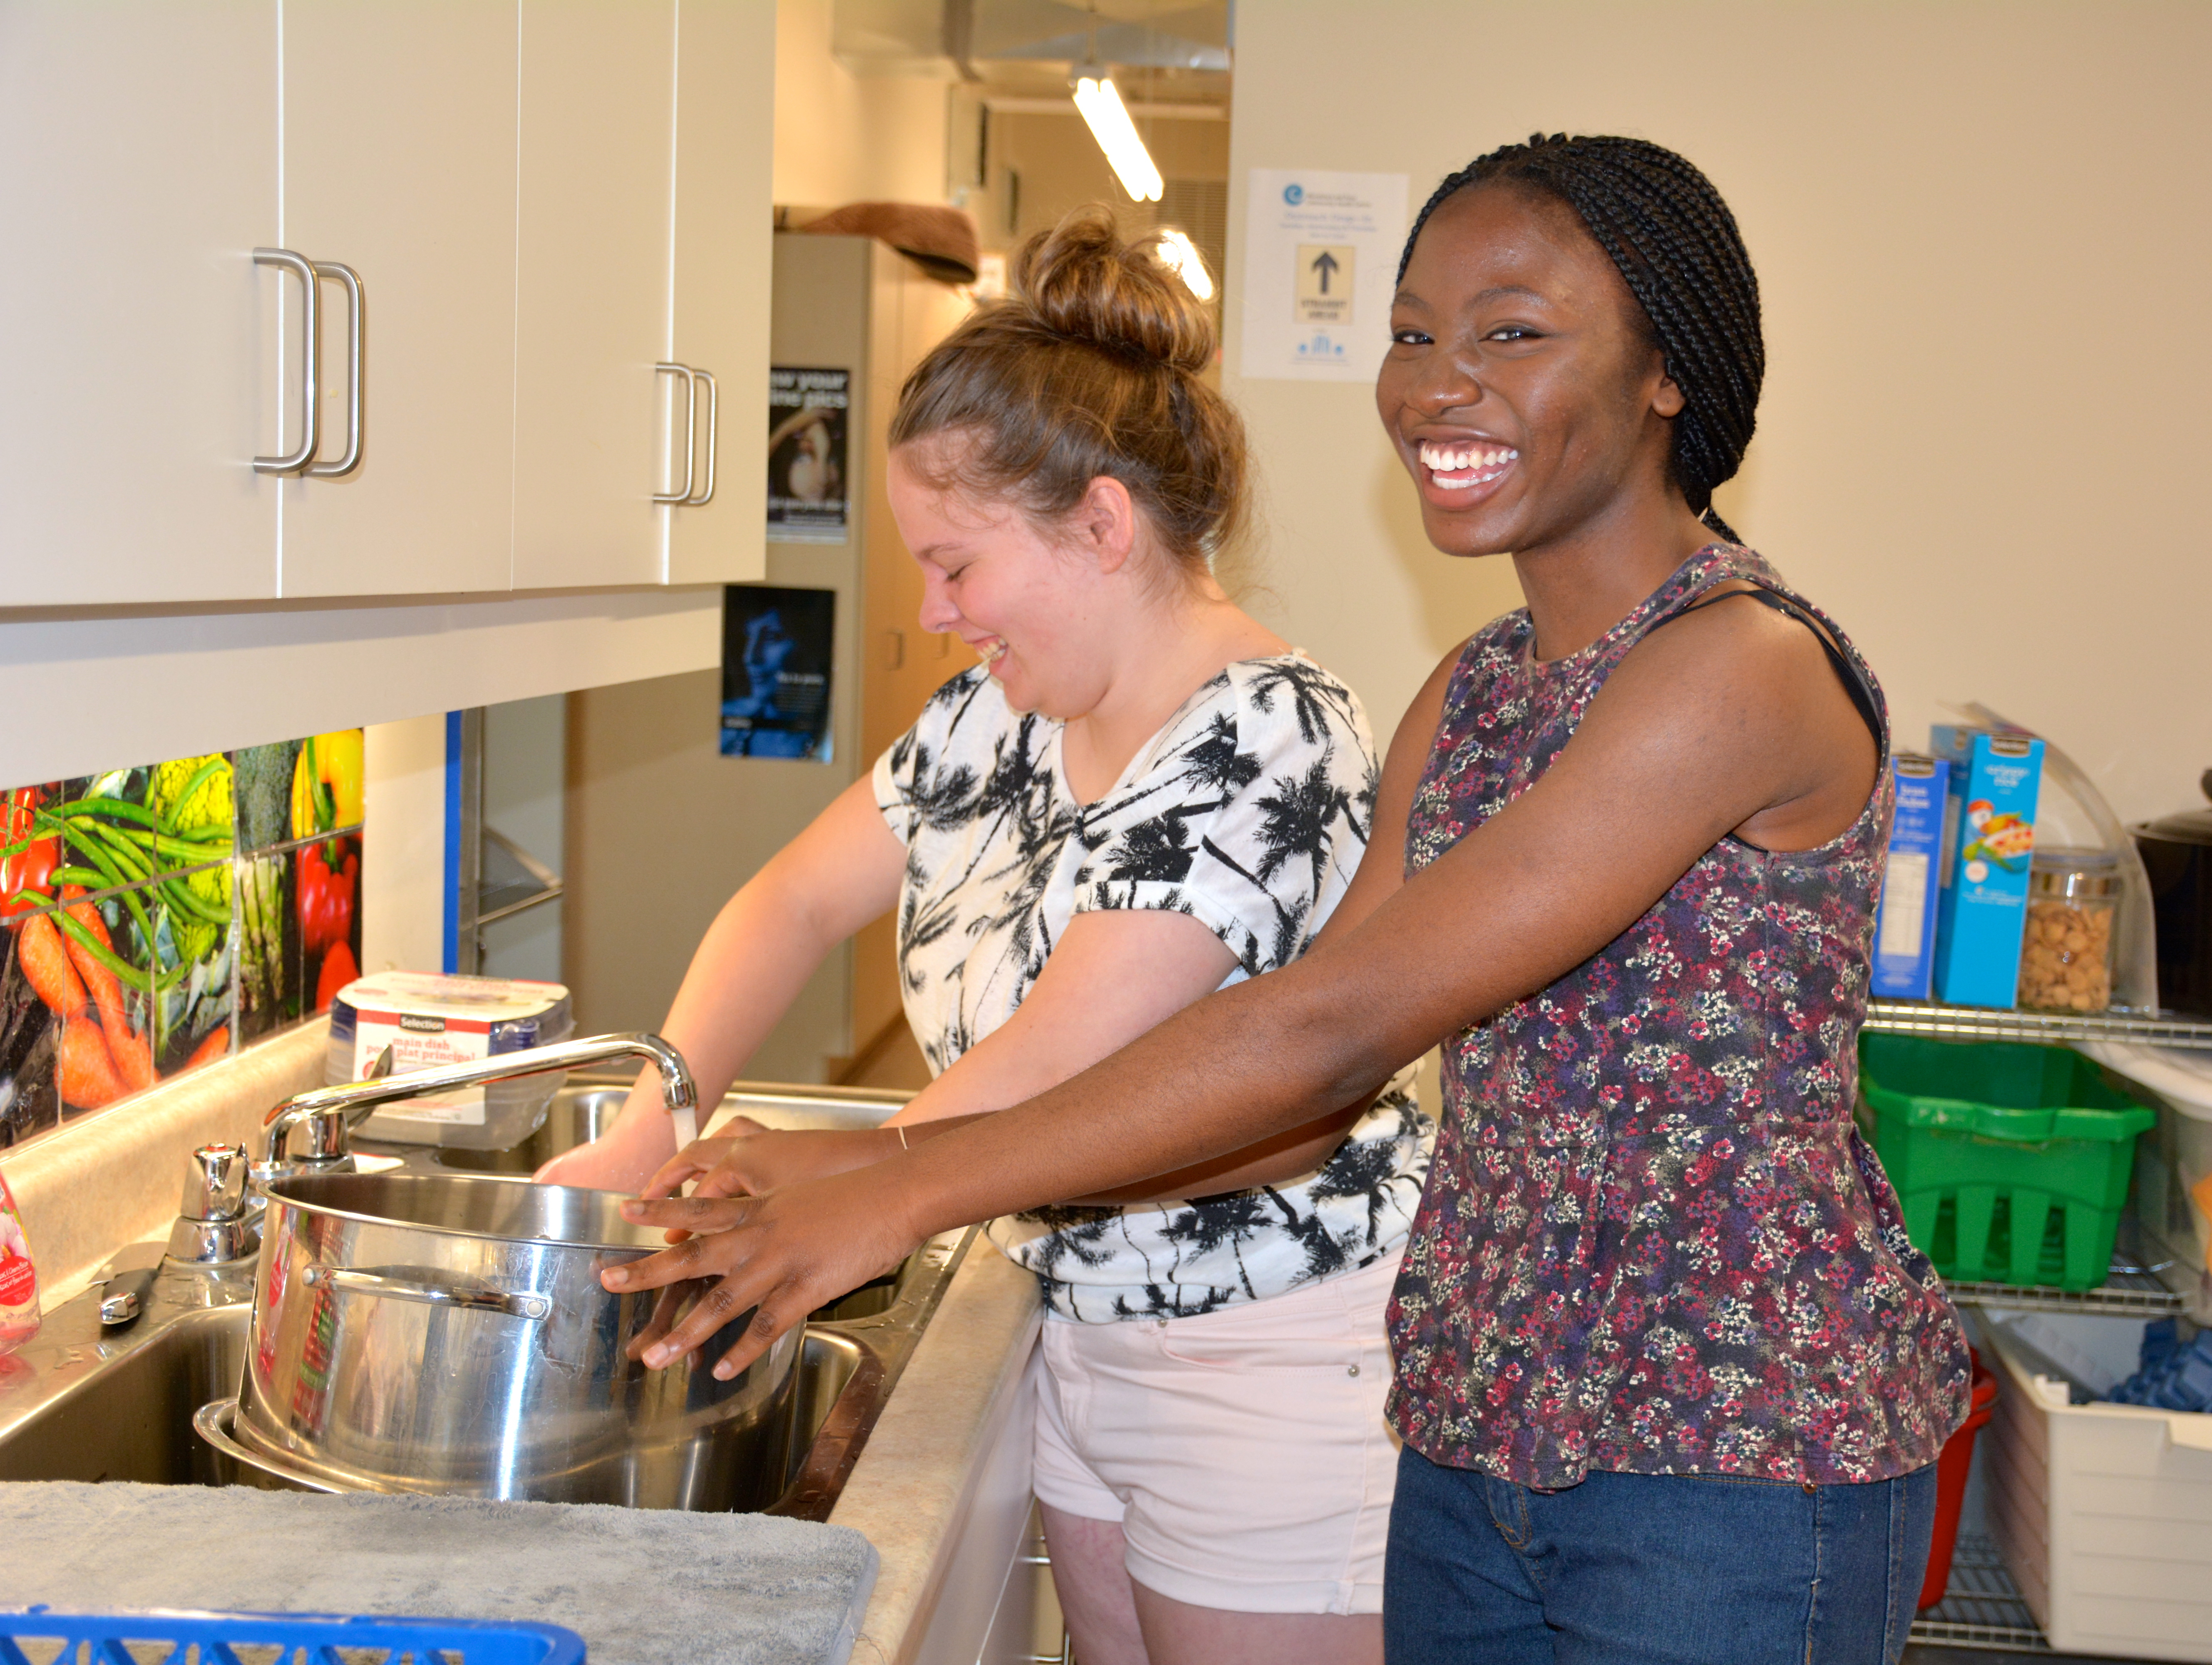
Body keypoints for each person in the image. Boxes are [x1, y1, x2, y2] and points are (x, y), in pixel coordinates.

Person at [603, 135, 1970, 1664]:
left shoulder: (1736, 670)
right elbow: (1302, 1087)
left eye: (1511, 332)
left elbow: (1336, 1025)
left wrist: (903, 1183)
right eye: (1411, 333)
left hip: (1728, 1448)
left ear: (1669, 374)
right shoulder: (1475, 695)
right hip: (1476, 1412)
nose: (1437, 381)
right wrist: (864, 1179)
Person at [541, 206, 1429, 1665]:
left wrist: (840, 1195)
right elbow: (797, 898)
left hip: (1268, 1349)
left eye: (957, 566)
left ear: (1101, 524)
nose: (936, 613)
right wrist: (658, 1119)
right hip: (1078, 1322)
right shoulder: (998, 714)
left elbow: (1061, 1060)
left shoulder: (1269, 735)